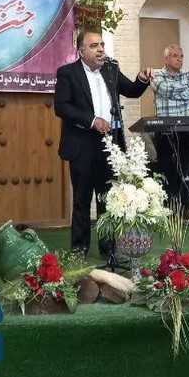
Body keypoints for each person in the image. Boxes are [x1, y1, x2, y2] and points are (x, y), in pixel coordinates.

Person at [54, 30, 152, 258]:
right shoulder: (68, 73)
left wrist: (141, 79)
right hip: (82, 143)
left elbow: (132, 91)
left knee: (108, 199)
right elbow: (61, 106)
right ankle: (79, 248)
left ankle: (108, 249)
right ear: (81, 51)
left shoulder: (111, 70)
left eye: (102, 45)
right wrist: (91, 120)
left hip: (110, 143)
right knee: (82, 199)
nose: (100, 50)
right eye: (94, 46)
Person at [151, 44, 189, 208]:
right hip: (164, 129)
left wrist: (174, 92)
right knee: (166, 168)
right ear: (166, 59)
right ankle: (168, 207)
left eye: (181, 56)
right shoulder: (156, 74)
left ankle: (185, 206)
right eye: (174, 56)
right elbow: (164, 90)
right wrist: (185, 89)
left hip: (185, 129)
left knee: (185, 168)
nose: (179, 59)